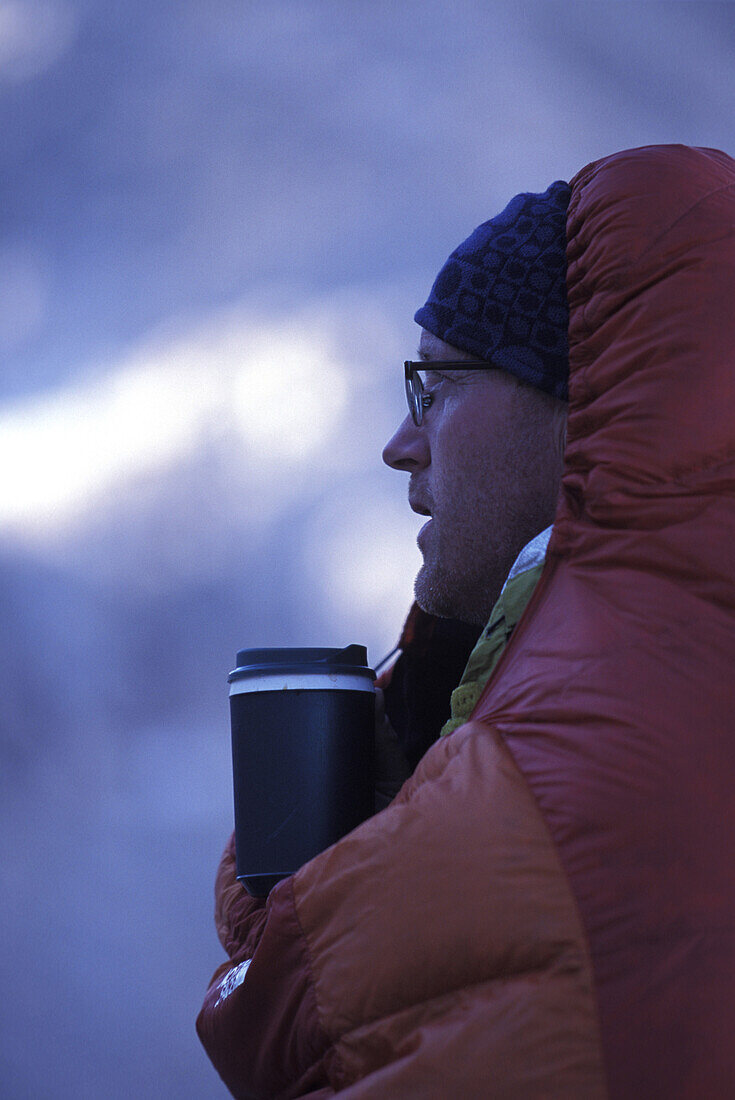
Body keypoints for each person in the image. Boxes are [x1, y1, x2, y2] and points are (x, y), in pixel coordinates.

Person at [197, 145, 735, 1098]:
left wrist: (316, 903)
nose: (399, 445)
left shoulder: (573, 771)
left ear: (590, 408)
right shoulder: (655, 698)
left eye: (435, 388)